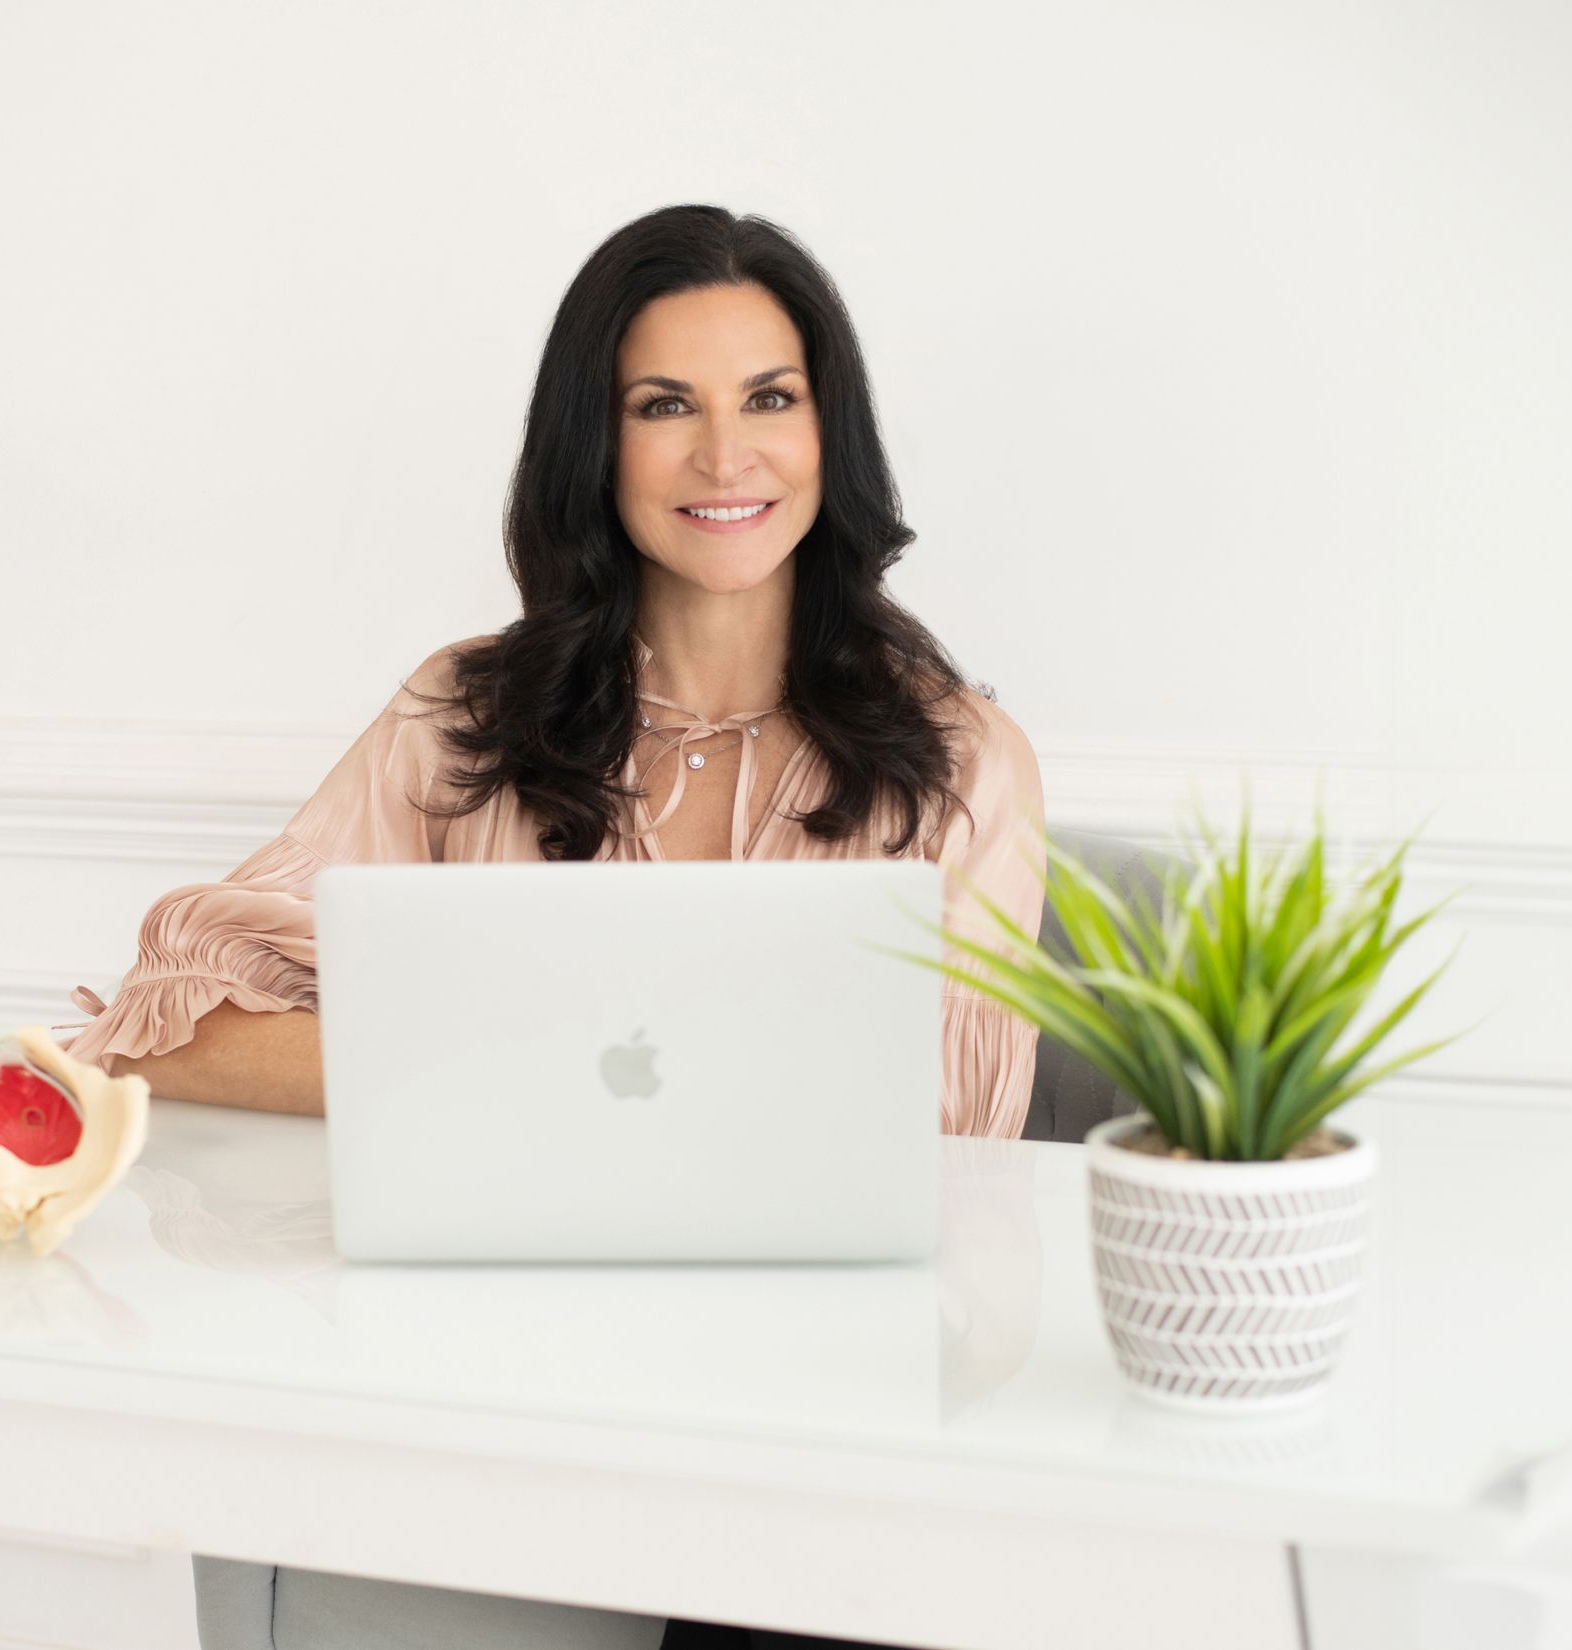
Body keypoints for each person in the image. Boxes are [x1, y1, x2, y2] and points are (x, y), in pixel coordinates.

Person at [55, 204, 1046, 1650]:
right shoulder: (462, 718)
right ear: (598, 444)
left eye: (771, 397)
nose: (726, 456)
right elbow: (172, 1018)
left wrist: (535, 1102)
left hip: (817, 1397)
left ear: (833, 436)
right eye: (665, 407)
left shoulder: (963, 761)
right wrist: (495, 1077)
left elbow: (951, 1148)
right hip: (496, 1370)